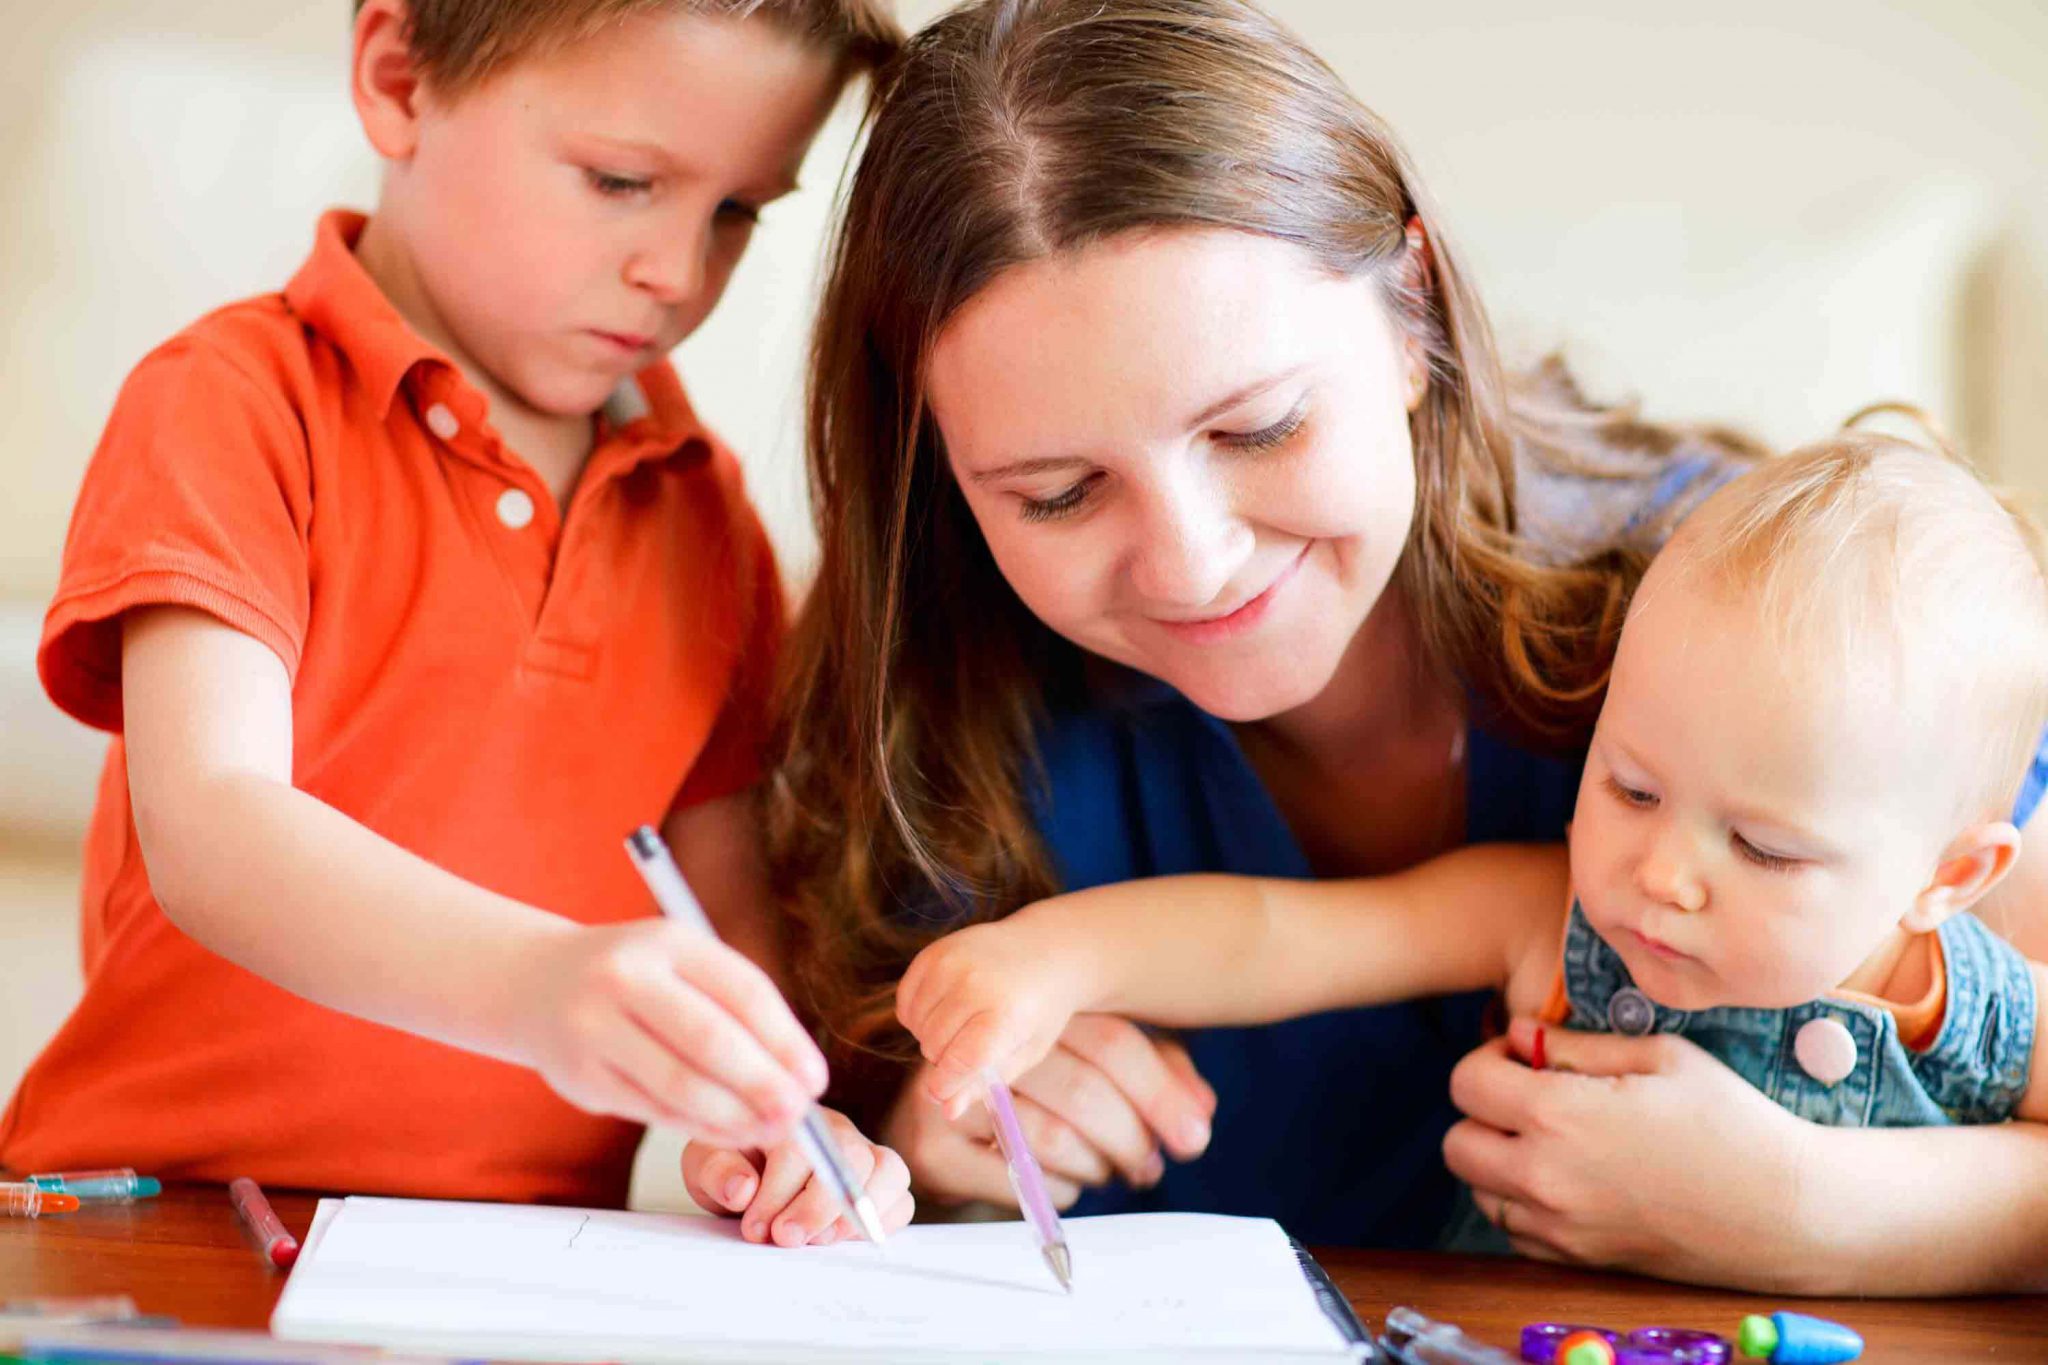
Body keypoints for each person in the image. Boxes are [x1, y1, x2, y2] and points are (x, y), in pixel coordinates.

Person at [736, 0, 2048, 1291]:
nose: (1192, 563)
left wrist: (1810, 1210)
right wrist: (933, 1158)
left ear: (1409, 311)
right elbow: (827, 1165)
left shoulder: (1762, 634)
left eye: (1259, 429)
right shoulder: (931, 719)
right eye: (1058, 493)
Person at [1, 0, 911, 1249]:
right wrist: (538, 987)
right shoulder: (229, 404)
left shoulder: (709, 524)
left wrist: (770, 1113)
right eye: (621, 180)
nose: (679, 272)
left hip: (513, 1266)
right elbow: (211, 825)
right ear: (398, 80)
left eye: (737, 212)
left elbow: (729, 937)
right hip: (163, 1213)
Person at [899, 430, 2048, 1178]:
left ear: (1945, 880)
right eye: (1629, 786)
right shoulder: (1551, 927)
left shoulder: (1986, 1018)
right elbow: (1280, 935)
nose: (1661, 872)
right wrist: (1045, 960)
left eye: (1762, 848)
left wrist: (1824, 1212)